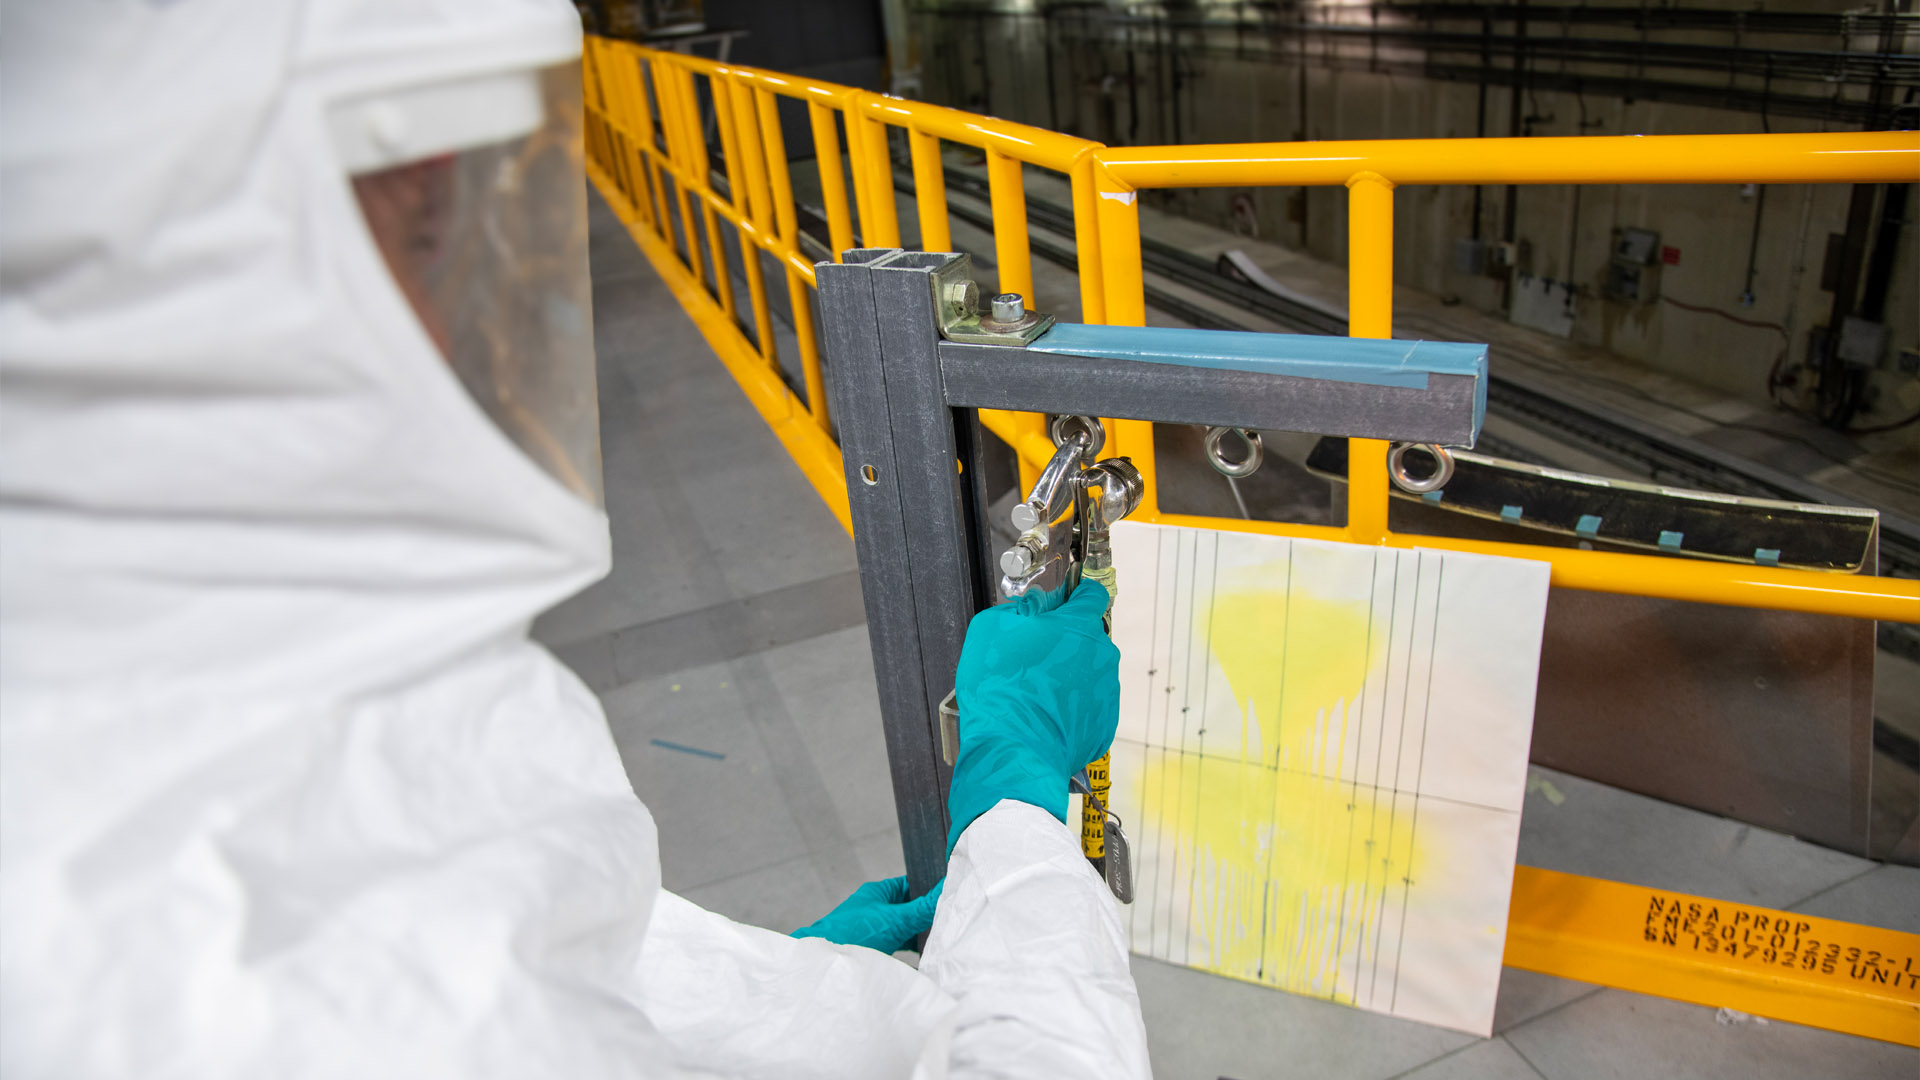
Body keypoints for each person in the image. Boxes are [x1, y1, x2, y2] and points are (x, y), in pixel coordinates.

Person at [0, 2, 1151, 1077]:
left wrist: (786, 989)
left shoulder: (216, 719)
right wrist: (1012, 806)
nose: (498, 293)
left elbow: (562, 980)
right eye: (425, 212)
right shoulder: (171, 905)